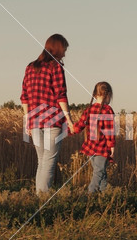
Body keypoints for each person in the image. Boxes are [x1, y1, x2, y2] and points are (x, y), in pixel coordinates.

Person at [20, 34, 74, 195]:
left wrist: (28, 121)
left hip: (35, 122)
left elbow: (24, 97)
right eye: (64, 48)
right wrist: (69, 120)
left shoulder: (30, 67)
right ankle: (42, 200)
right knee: (49, 162)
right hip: (53, 121)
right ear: (58, 47)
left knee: (42, 161)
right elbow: (60, 95)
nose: (65, 52)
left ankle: (39, 197)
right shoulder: (55, 66)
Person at [73, 82, 115, 193]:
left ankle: (104, 194)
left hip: (90, 147)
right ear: (108, 95)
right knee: (99, 171)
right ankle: (90, 193)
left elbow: (79, 126)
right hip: (102, 147)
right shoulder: (107, 110)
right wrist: (111, 146)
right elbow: (109, 131)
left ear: (95, 95)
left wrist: (69, 129)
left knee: (101, 172)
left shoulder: (88, 110)